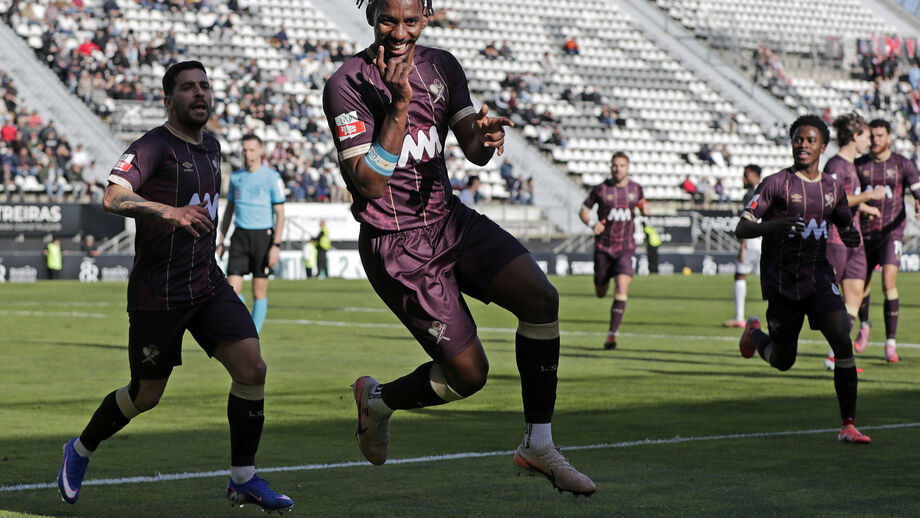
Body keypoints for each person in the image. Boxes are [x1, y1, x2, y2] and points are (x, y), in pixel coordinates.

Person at [322, 0, 594, 496]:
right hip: (397, 245)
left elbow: (471, 147)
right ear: (370, 16)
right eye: (388, 19)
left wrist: (485, 141)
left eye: (410, 20)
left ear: (426, 15)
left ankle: (539, 444)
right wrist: (400, 105)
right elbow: (368, 185)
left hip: (450, 221)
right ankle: (377, 402)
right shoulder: (347, 83)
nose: (399, 32)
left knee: (541, 299)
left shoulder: (443, 65)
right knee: (469, 376)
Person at [56, 61, 293, 512]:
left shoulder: (216, 147)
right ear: (168, 99)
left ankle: (242, 478)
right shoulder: (152, 146)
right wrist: (170, 212)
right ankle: (80, 449)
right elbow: (113, 195)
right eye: (188, 88)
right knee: (146, 396)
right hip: (158, 293)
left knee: (252, 368)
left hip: (206, 282)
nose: (199, 94)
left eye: (205, 85)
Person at [736, 115, 870, 444]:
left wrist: (852, 236)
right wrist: (771, 226)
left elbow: (843, 222)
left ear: (823, 146)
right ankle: (755, 332)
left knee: (841, 337)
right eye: (798, 139)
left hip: (819, 279)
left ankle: (848, 425)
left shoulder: (833, 187)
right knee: (784, 360)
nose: (803, 145)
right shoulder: (775, 183)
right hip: (783, 284)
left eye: (810, 140)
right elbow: (742, 227)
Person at [853, 119, 920, 363]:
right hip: (864, 232)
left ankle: (890, 343)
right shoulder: (859, 164)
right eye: (872, 136)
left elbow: (917, 188)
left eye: (880, 135)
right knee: (862, 286)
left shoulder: (902, 163)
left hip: (892, 232)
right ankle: (864, 324)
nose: (875, 140)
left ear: (889, 137)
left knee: (888, 282)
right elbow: (847, 196)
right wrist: (862, 205)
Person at [823, 114, 884, 370]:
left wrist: (864, 207)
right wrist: (868, 196)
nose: (869, 141)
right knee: (824, 299)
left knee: (854, 298)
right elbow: (834, 200)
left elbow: (849, 199)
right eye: (867, 136)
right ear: (855, 136)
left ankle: (835, 356)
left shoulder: (850, 166)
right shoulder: (836, 165)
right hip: (836, 240)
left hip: (854, 240)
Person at [578, 152, 650, 350]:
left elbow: (644, 205)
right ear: (611, 167)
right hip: (603, 248)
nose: (617, 168)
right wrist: (593, 223)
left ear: (628, 168)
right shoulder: (601, 189)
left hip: (626, 248)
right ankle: (602, 282)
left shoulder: (636, 189)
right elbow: (583, 210)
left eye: (621, 165)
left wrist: (645, 209)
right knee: (601, 291)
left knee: (622, 287)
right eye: (614, 165)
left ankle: (612, 335)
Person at [217, 134, 286, 333]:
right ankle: (246, 325)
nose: (248, 154)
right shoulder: (237, 178)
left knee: (259, 291)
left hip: (263, 237)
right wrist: (221, 239)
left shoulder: (272, 177)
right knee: (230, 291)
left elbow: (280, 214)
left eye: (252, 149)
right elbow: (229, 210)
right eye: (245, 150)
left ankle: (252, 336)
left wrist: (276, 245)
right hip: (240, 236)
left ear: (261, 150)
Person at [723, 165, 762, 328]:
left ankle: (739, 317)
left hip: (752, 241)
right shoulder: (768, 190)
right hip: (765, 241)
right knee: (771, 280)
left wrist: (743, 245)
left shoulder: (750, 194)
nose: (743, 179)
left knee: (740, 275)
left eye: (746, 175)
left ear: (754, 175)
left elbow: (748, 220)